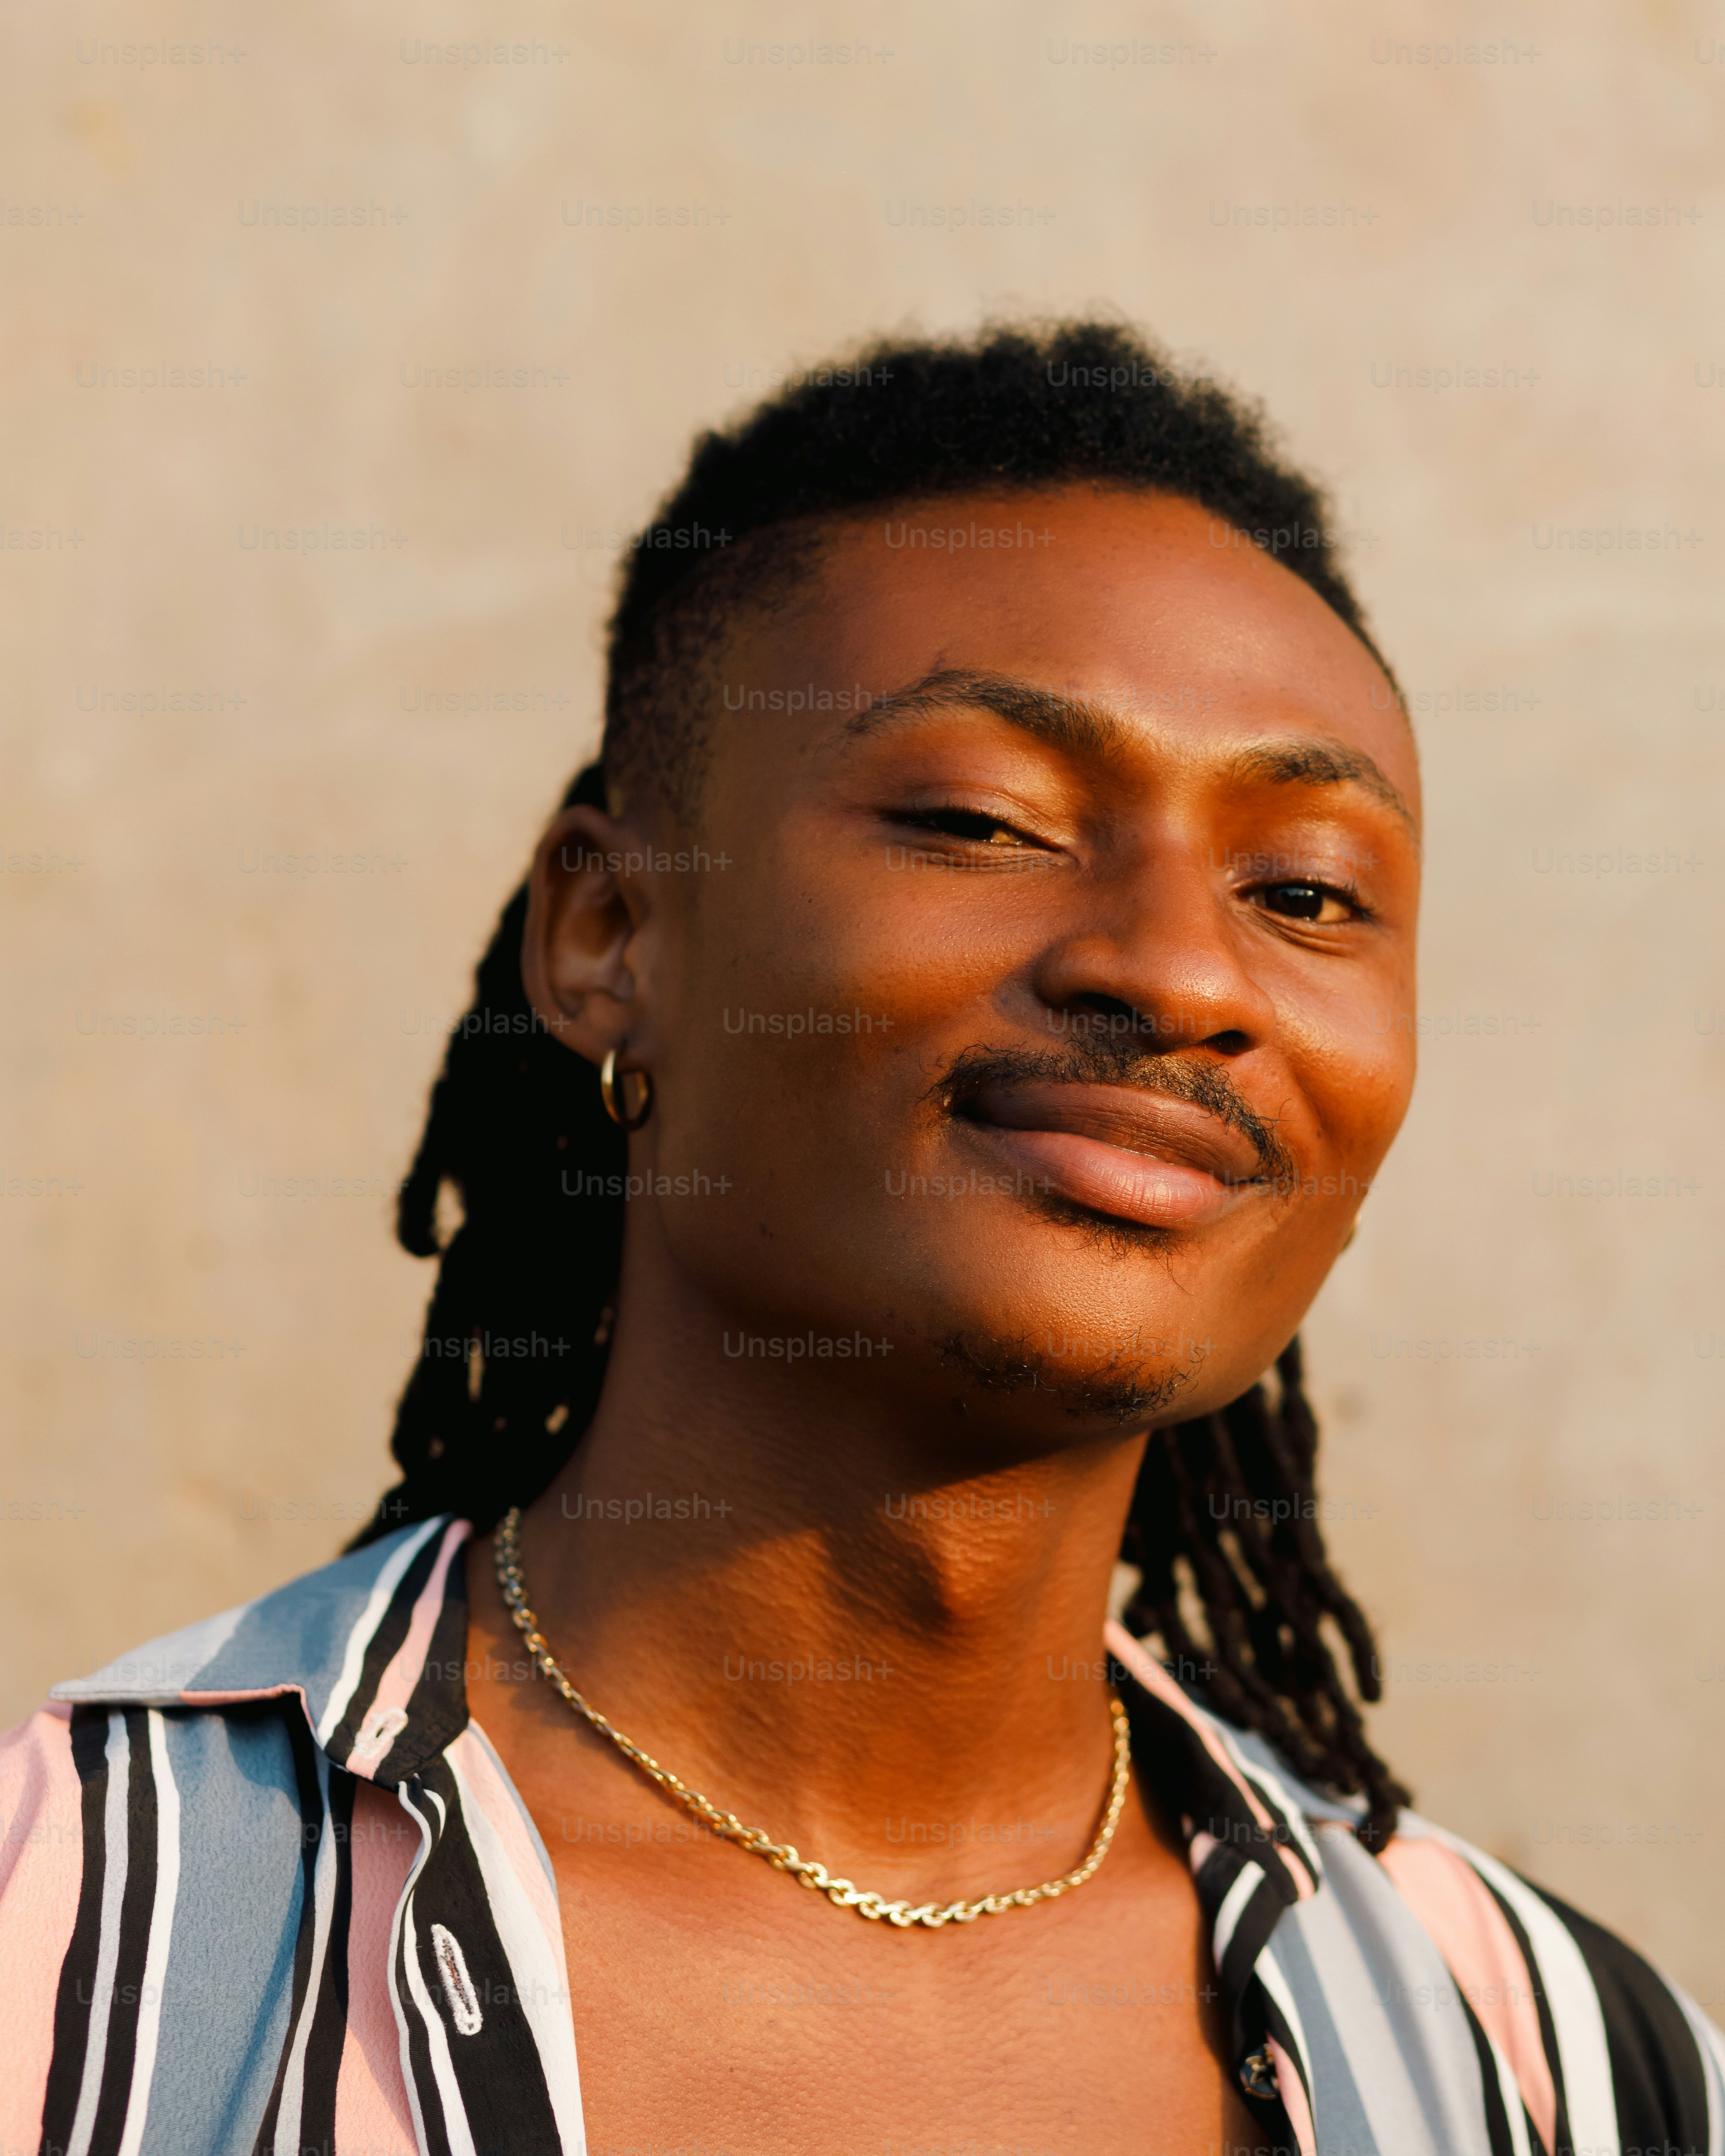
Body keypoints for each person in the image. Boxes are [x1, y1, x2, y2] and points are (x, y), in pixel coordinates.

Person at [2, 321, 1716, 2156]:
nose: (1181, 970)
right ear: (610, 935)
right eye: (982, 821)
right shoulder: (66, 1934)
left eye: (1305, 890)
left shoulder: (1562, 2069)